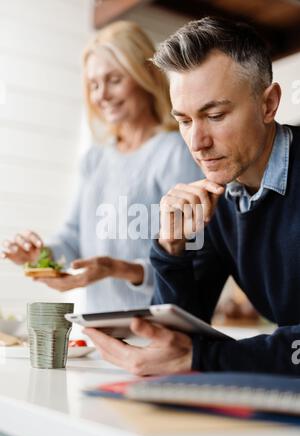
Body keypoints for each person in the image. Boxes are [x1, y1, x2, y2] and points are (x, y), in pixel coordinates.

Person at [84, 17, 300, 377]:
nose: (197, 143)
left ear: (269, 104)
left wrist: (205, 358)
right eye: (184, 120)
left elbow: (189, 355)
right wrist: (170, 250)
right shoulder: (219, 198)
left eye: (214, 115)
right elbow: (174, 338)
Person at [1, 21, 201, 312]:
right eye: (94, 84)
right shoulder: (95, 159)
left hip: (156, 329)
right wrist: (39, 255)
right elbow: (71, 237)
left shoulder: (174, 152)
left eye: (114, 79)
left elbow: (193, 257)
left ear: (144, 74)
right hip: (99, 328)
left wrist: (114, 268)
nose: (101, 95)